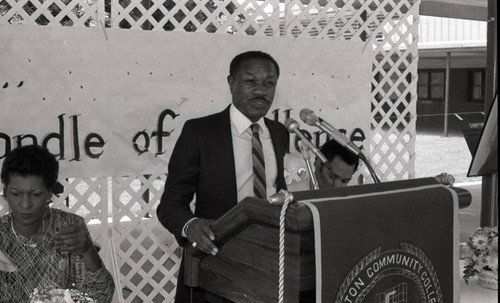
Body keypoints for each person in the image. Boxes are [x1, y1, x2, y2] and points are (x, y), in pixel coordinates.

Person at [156, 50, 289, 302]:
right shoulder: (200, 132)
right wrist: (190, 225)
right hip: (216, 265)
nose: (261, 91)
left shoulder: (279, 133)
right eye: (250, 82)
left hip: (270, 265)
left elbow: (275, 190)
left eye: (269, 83)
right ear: (231, 83)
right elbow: (170, 204)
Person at [0, 145, 115, 302]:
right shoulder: (2, 236)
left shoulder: (69, 227)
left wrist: (88, 250)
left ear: (49, 194)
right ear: (5, 193)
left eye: (36, 194)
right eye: (16, 194)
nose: (25, 204)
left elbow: (102, 296)